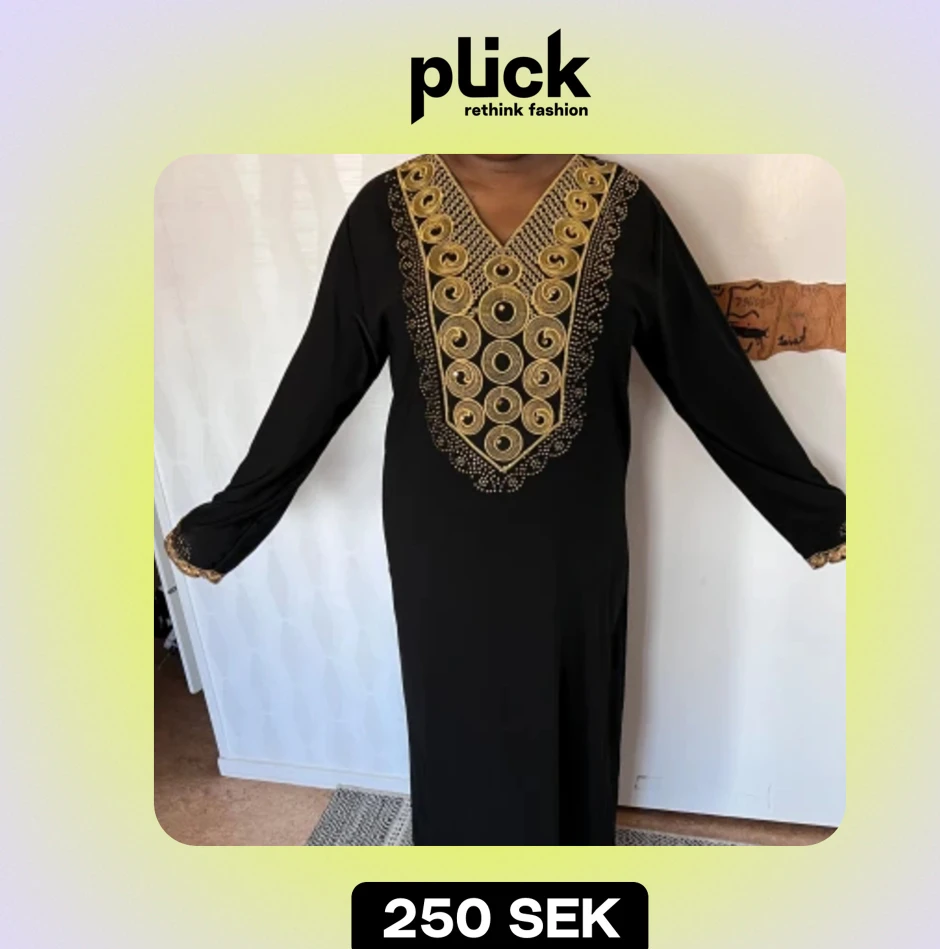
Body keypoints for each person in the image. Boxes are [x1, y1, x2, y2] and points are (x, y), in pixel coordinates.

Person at [164, 153, 846, 845]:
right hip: (439, 539)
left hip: (573, 539)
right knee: (453, 715)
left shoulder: (621, 208)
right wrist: (231, 520)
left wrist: (819, 516)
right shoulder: (384, 213)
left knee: (572, 710)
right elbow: (321, 374)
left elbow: (708, 372)